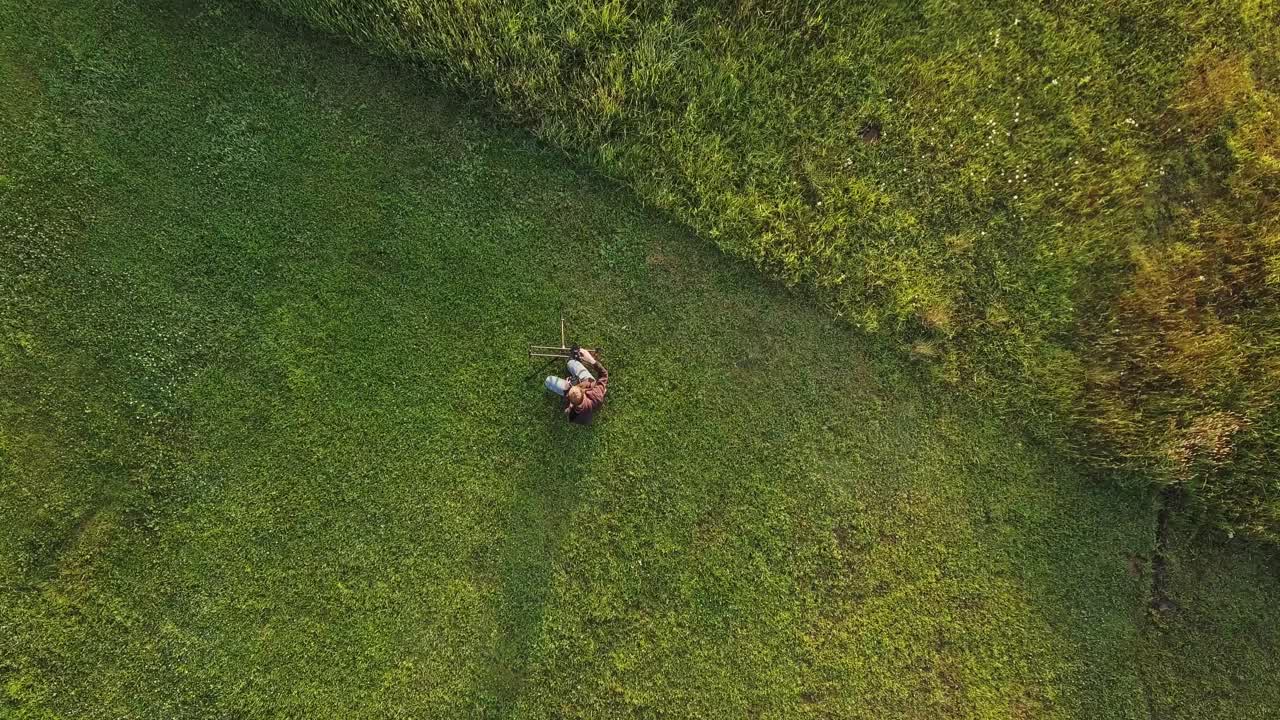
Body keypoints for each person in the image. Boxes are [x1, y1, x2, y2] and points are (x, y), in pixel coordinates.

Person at [544, 348, 608, 424]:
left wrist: (568, 387)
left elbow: (568, 412)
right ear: (583, 391)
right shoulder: (596, 393)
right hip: (588, 382)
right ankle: (574, 367)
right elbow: (604, 374)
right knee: (571, 363)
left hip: (576, 390)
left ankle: (570, 377)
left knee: (548, 380)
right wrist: (591, 359)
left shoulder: (575, 411)